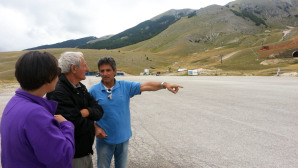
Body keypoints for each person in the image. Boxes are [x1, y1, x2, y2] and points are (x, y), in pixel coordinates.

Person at [89, 56, 183, 168]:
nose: (105, 73)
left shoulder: (125, 86)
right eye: (102, 71)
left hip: (123, 140)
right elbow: (85, 114)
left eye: (108, 70)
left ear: (115, 71)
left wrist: (165, 85)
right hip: (104, 141)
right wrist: (95, 128)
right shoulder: (93, 91)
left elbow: (146, 86)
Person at [0, 51, 75, 168]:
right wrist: (67, 125)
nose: (58, 76)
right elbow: (62, 158)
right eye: (57, 72)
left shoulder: (14, 102)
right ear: (48, 77)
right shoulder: (35, 114)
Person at [46, 51, 104, 168]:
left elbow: (99, 110)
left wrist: (86, 112)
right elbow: (75, 126)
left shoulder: (80, 87)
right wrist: (90, 120)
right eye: (84, 65)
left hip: (84, 151)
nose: (87, 69)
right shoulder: (58, 91)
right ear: (73, 68)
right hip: (73, 156)